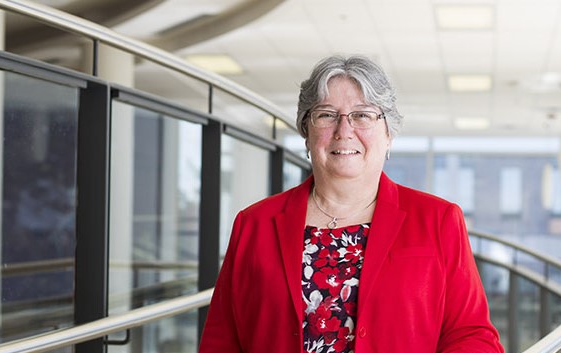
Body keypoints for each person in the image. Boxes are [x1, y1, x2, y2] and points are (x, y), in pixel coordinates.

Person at [198, 55, 503, 353]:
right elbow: (221, 339)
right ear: (307, 133)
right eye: (326, 115)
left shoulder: (438, 220)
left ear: (389, 134)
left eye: (362, 115)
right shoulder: (254, 224)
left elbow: (472, 335)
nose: (344, 131)